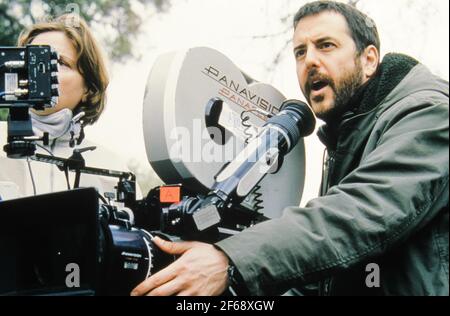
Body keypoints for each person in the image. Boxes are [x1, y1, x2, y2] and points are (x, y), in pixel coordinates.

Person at [132, 1, 449, 296]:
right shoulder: (348, 135)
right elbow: (323, 277)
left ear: (368, 59)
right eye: (300, 52)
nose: (310, 60)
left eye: (326, 45)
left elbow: (360, 216)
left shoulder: (430, 113)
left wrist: (231, 260)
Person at [0, 14, 129, 200]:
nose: (41, 71)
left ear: (88, 88)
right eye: (32, 59)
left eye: (60, 62)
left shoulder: (112, 167)